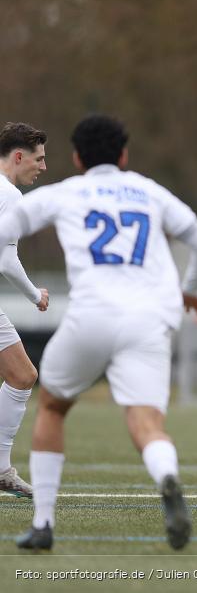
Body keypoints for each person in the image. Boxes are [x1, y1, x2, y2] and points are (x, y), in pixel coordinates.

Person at [3, 115, 197, 551]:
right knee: (146, 422)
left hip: (91, 317)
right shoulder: (149, 190)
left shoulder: (64, 192)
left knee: (53, 408)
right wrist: (190, 292)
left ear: (78, 157)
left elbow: (5, 236)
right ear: (123, 155)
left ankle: (43, 524)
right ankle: (167, 477)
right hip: (148, 323)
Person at [0, 122, 51, 499]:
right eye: (39, 158)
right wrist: (36, 295)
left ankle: (0, 469)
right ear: (19, 156)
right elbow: (5, 259)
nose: (43, 166)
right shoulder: (10, 195)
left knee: (21, 374)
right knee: (23, 374)